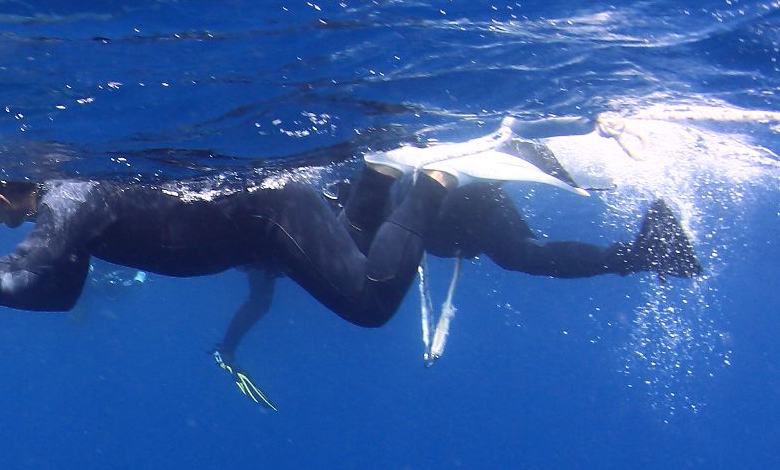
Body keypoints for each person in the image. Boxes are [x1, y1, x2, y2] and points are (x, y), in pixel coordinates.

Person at [211, 168, 703, 404]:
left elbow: (363, 216)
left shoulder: (295, 228)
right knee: (519, 254)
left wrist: (229, 350)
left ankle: (648, 251)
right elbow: (257, 301)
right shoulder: (278, 245)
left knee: (519, 254)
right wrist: (228, 351)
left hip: (448, 204)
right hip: (451, 208)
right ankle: (648, 250)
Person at [0, 161, 459, 337]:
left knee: (370, 302)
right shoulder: (64, 204)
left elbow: (31, 275)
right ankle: (380, 174)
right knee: (357, 251)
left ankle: (435, 177)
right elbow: (58, 289)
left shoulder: (69, 199)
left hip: (269, 215)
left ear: (1, 187)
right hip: (259, 222)